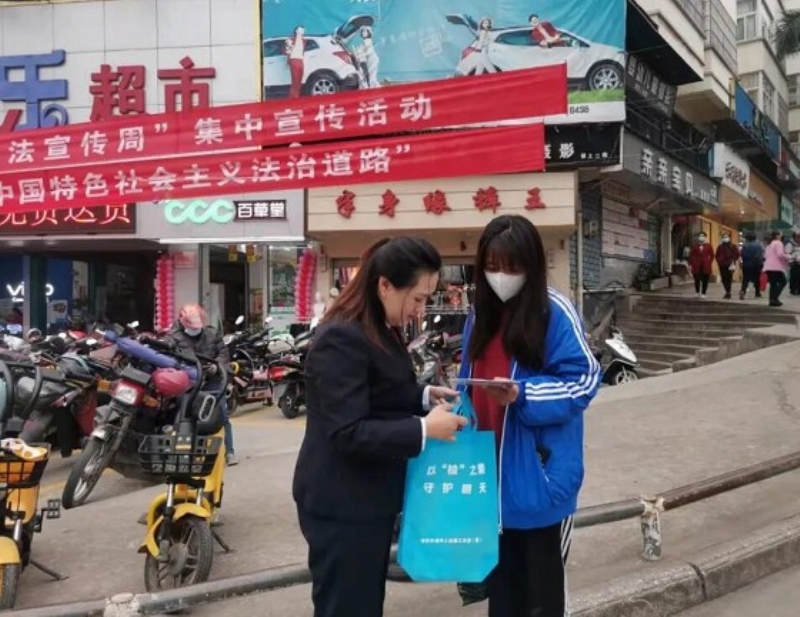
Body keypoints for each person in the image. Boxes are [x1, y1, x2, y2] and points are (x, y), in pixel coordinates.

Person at [293, 237, 468, 617]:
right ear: (385, 285)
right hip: (342, 504)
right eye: (417, 298)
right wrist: (424, 430)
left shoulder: (380, 327)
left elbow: (382, 390)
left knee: (366, 603)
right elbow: (348, 431)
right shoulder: (340, 337)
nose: (421, 310)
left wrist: (425, 396)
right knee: (348, 607)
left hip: (368, 500)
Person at [456, 215, 601, 616]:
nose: (500, 276)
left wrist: (524, 394)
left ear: (531, 266)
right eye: (491, 266)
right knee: (503, 602)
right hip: (490, 483)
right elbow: (468, 381)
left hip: (540, 483)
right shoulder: (479, 314)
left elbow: (585, 380)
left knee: (542, 602)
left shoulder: (553, 312)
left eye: (511, 267)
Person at [166, 304, 238, 466]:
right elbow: (167, 355)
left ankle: (229, 451)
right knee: (183, 416)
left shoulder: (212, 334)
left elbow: (224, 354)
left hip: (212, 380)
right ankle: (183, 452)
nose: (195, 329)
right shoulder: (172, 337)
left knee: (220, 415)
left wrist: (217, 366)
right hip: (187, 383)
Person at [764, 230, 791, 307]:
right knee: (783, 282)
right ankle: (774, 298)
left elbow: (765, 255)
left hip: (768, 267)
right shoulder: (778, 243)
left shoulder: (769, 244)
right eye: (780, 235)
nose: (781, 236)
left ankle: (772, 300)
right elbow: (780, 254)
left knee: (773, 284)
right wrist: (788, 256)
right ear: (777, 236)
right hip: (776, 267)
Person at [688, 232, 714, 298]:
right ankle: (697, 292)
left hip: (706, 265)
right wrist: (690, 264)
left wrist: (709, 261)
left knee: (705, 279)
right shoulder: (695, 246)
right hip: (696, 264)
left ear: (705, 237)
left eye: (702, 236)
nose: (701, 237)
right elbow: (691, 255)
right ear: (698, 237)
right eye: (700, 236)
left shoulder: (708, 246)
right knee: (697, 279)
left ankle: (703, 293)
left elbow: (712, 255)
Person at [739, 232, 764, 300]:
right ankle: (757, 293)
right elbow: (760, 256)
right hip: (756, 264)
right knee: (757, 279)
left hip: (747, 265)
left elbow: (742, 254)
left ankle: (743, 291)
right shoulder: (758, 246)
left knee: (745, 279)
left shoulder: (745, 246)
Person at [715, 233, 740, 300]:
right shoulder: (720, 247)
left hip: (730, 265)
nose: (725, 238)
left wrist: (733, 260)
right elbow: (717, 255)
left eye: (726, 237)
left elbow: (737, 254)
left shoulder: (733, 246)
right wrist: (719, 261)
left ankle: (728, 292)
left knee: (729, 278)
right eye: (724, 237)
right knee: (724, 278)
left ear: (729, 238)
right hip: (722, 265)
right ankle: (727, 291)